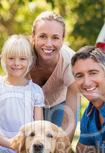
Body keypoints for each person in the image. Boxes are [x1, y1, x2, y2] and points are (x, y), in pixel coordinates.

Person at [29, 11, 80, 142]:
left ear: (63, 40)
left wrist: (62, 150)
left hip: (60, 101)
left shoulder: (70, 63)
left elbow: (69, 119)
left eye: (55, 38)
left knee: (55, 144)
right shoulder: (20, 57)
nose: (48, 44)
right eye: (42, 36)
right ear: (33, 37)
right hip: (29, 101)